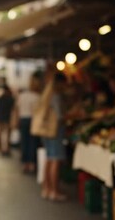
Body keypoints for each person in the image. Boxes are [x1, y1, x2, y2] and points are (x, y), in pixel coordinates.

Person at [40, 73, 68, 201]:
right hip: (54, 131)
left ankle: (46, 189)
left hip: (46, 131)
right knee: (55, 160)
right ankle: (54, 191)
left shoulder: (46, 93)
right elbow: (59, 116)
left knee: (49, 159)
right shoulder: (55, 95)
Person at [17, 74, 41, 173]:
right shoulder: (37, 96)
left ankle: (25, 164)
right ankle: (31, 164)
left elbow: (18, 108)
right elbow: (37, 111)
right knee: (32, 142)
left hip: (23, 120)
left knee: (24, 142)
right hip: (32, 120)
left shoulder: (22, 96)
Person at [0, 78, 15, 156]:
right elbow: (13, 110)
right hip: (7, 118)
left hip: (0, 118)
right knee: (7, 135)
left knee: (0, 135)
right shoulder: (10, 99)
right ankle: (6, 149)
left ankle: (1, 149)